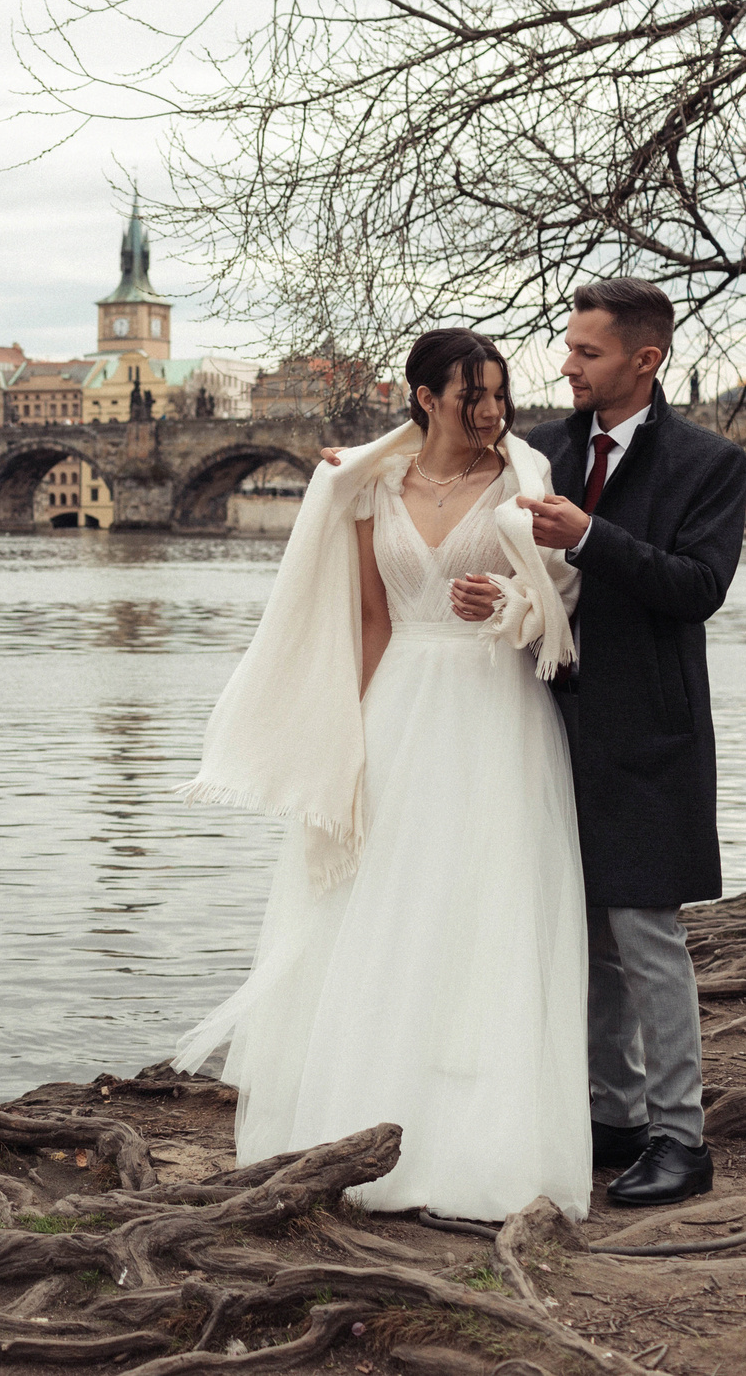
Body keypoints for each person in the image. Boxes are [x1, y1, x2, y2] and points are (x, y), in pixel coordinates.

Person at [173, 328, 591, 1221]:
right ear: (425, 397)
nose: (491, 411)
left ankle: (479, 1139)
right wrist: (348, 734)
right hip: (401, 703)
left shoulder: (525, 478)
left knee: (480, 908)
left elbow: (560, 597)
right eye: (472, 394)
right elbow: (369, 617)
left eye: (499, 392)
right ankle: (358, 1115)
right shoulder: (366, 486)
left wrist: (510, 602)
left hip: (493, 708)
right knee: (377, 903)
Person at [469, 280, 746, 1209]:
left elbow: (695, 587)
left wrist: (593, 535)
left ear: (645, 359)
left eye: (586, 353)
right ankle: (615, 1115)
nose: (567, 365)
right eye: (568, 348)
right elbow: (519, 569)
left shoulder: (710, 463)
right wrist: (495, 598)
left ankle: (682, 1138)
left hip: (649, 732)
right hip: (547, 720)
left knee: (645, 934)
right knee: (580, 931)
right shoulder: (541, 449)